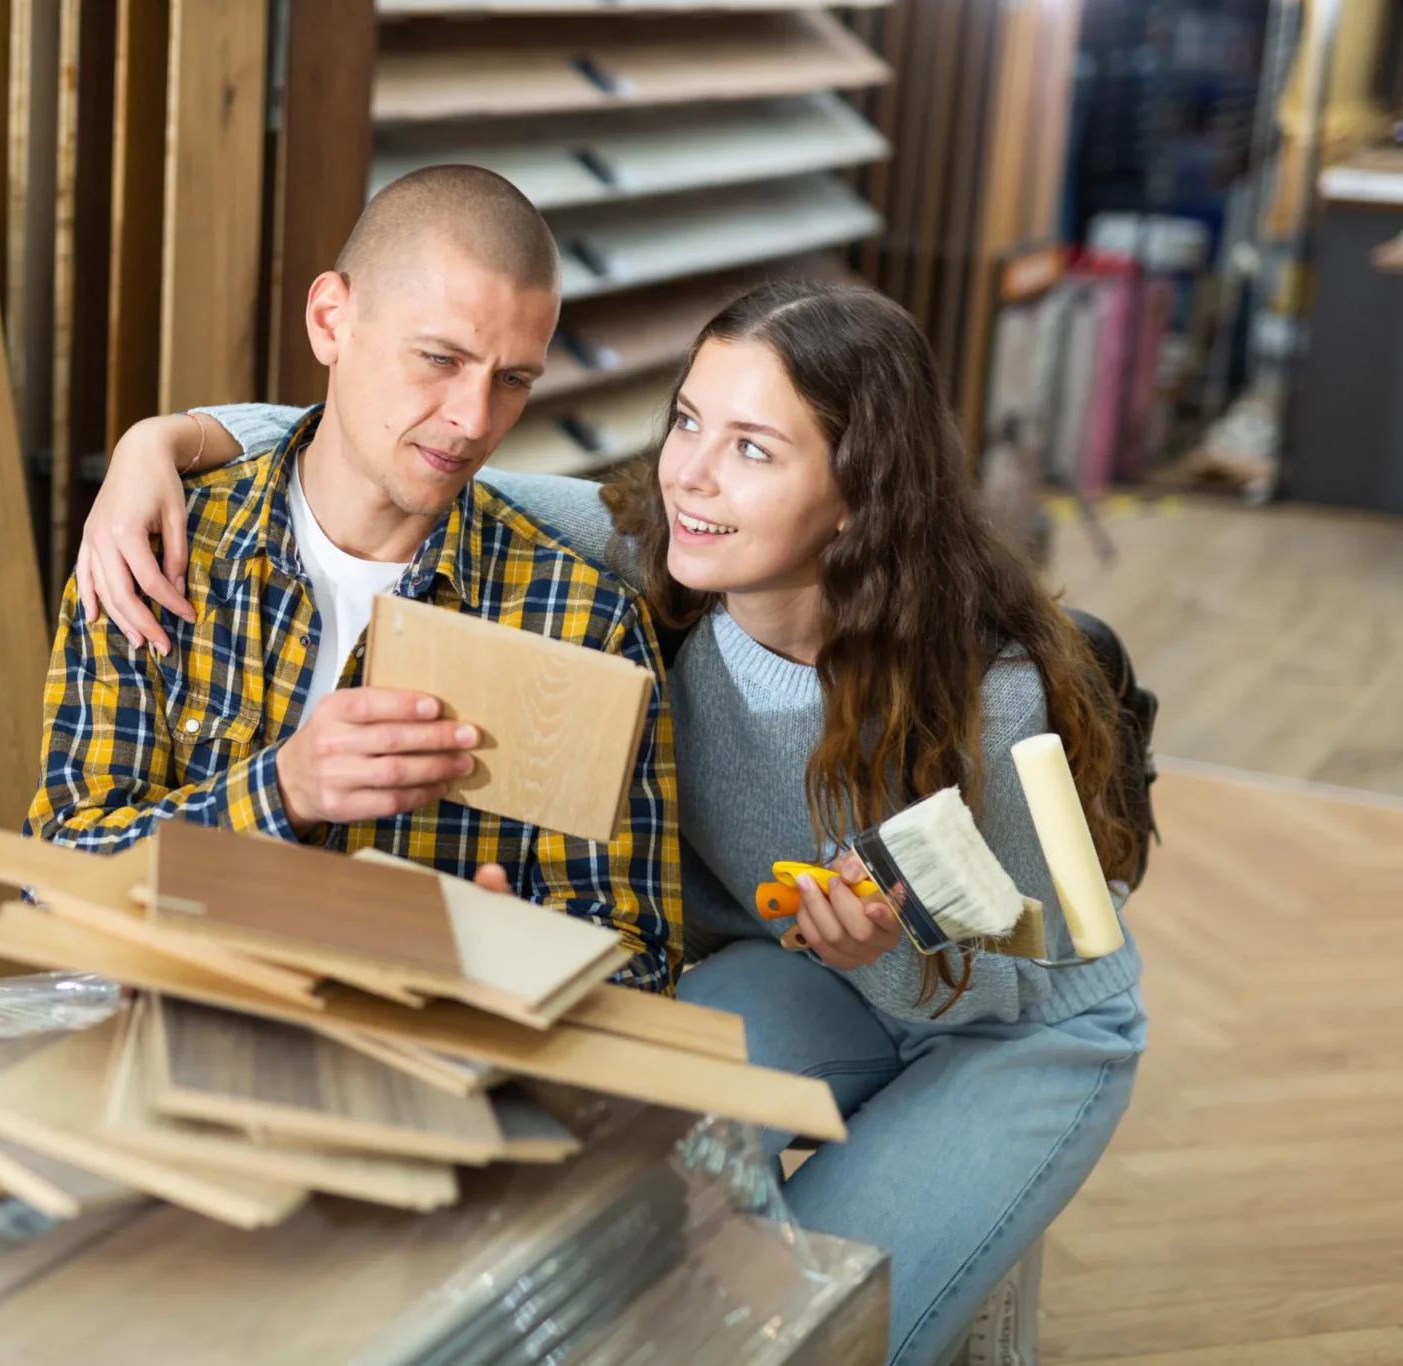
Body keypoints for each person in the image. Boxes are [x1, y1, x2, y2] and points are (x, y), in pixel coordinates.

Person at [79, 278, 1148, 1365]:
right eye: (688, 420)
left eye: (750, 448)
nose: (687, 472)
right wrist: (154, 445)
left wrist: (881, 956)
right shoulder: (663, 555)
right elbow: (395, 451)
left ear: (856, 499)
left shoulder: (991, 697)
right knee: (602, 1172)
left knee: (795, 1335)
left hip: (1012, 1028)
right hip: (791, 965)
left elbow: (1001, 988)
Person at [29, 164, 680, 990]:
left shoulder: (581, 623)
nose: (475, 422)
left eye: (513, 380)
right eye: (440, 358)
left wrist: (504, 967)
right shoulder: (154, 550)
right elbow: (56, 886)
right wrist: (282, 792)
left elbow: (637, 955)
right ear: (331, 319)